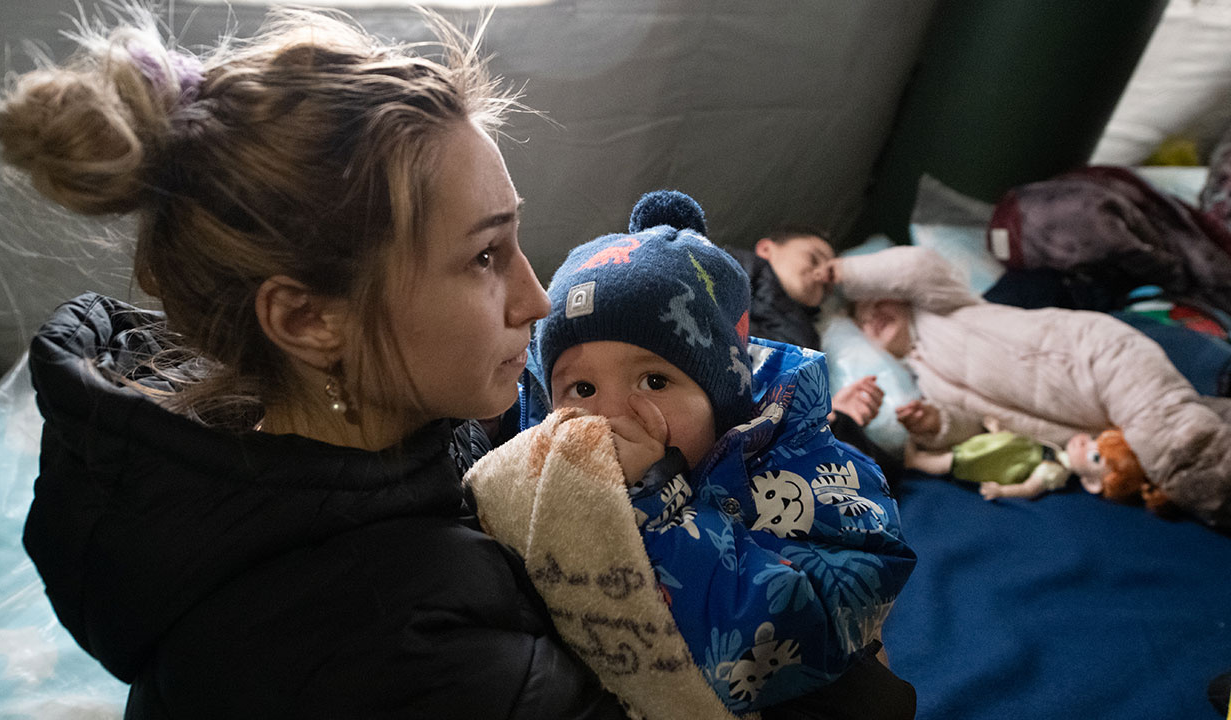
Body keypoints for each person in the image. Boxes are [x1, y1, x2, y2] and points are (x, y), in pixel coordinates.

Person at [0, 7, 634, 718]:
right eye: (484, 257)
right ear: (309, 321)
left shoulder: (354, 443)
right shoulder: (397, 656)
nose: (538, 300)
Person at [468, 191, 917, 720]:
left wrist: (662, 503)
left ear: (722, 397)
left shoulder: (810, 467)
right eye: (582, 389)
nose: (612, 415)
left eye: (654, 380)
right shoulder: (549, 472)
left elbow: (800, 627)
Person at [832, 244, 1231, 530]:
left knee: (1182, 448)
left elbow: (917, 266)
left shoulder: (942, 306)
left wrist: (844, 275)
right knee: (1192, 421)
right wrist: (934, 423)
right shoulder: (925, 382)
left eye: (876, 302)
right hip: (1093, 425)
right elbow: (972, 426)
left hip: (1099, 359)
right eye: (862, 322)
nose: (872, 316)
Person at [727, 230, 897, 481]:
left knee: (873, 468)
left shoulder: (805, 335)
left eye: (829, 285)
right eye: (813, 259)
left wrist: (832, 410)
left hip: (752, 436)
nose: (821, 275)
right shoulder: (733, 269)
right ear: (766, 249)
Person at [902, 425, 1167, 508]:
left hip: (1005, 462)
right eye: (1096, 441)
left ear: (1091, 483)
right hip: (1007, 448)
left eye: (1094, 457)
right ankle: (927, 455)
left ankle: (915, 461)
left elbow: (1030, 488)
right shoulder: (1060, 452)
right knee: (967, 447)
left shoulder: (1055, 470)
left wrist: (1002, 492)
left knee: (958, 460)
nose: (1086, 444)